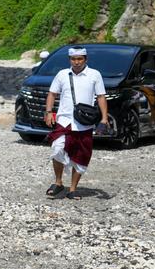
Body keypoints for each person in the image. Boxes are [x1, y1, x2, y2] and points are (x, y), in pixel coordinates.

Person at [42, 47, 110, 199]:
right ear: (69, 60)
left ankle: (72, 189)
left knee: (82, 155)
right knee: (57, 148)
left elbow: (101, 97)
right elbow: (52, 94)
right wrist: (48, 112)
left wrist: (104, 119)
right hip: (64, 120)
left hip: (84, 122)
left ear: (86, 59)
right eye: (74, 59)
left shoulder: (95, 75)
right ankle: (58, 182)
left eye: (80, 59)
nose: (77, 62)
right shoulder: (62, 74)